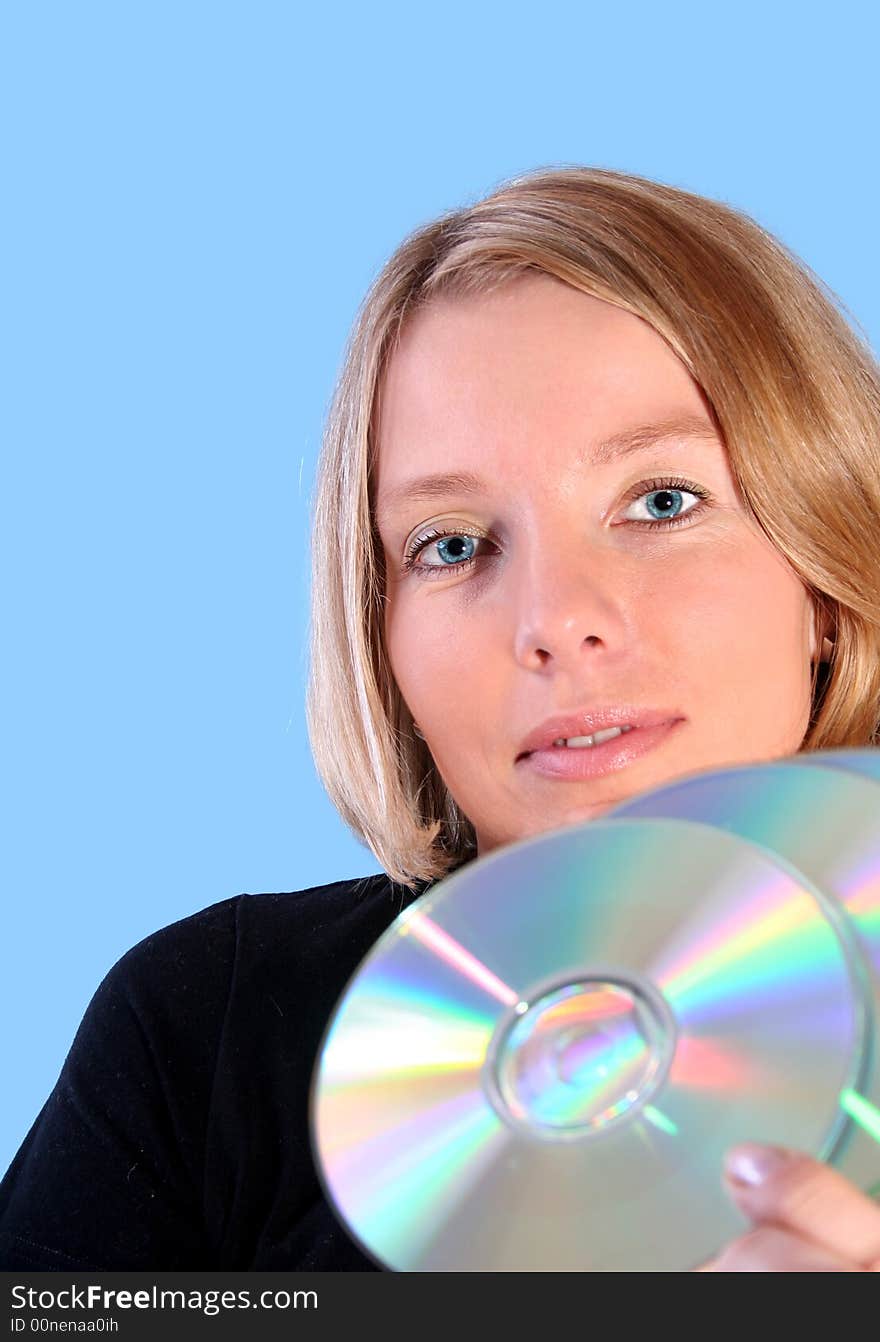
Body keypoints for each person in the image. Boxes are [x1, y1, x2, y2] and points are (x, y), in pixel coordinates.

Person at [2, 165, 879, 1272]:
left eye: (661, 501)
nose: (555, 620)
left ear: (826, 579)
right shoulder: (205, 1031)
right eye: (452, 544)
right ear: (381, 635)